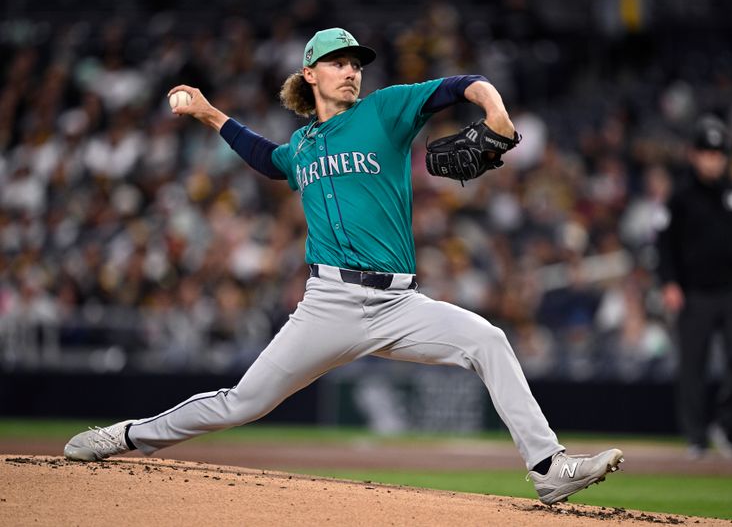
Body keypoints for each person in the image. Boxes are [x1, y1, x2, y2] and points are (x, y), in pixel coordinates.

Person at [64, 27, 622, 505]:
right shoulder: (302, 145)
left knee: (488, 340)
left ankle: (548, 468)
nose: (351, 71)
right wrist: (210, 114)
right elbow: (267, 158)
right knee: (245, 402)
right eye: (338, 62)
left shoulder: (384, 111)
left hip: (400, 303)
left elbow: (460, 85)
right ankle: (128, 435)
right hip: (328, 305)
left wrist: (494, 110)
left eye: (356, 63)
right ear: (310, 72)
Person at [657, 115, 732, 458]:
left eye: (718, 152)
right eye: (706, 151)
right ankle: (696, 438)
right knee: (693, 366)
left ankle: (728, 426)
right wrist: (669, 283)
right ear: (694, 154)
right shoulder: (680, 197)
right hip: (694, 293)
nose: (712, 158)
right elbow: (664, 244)